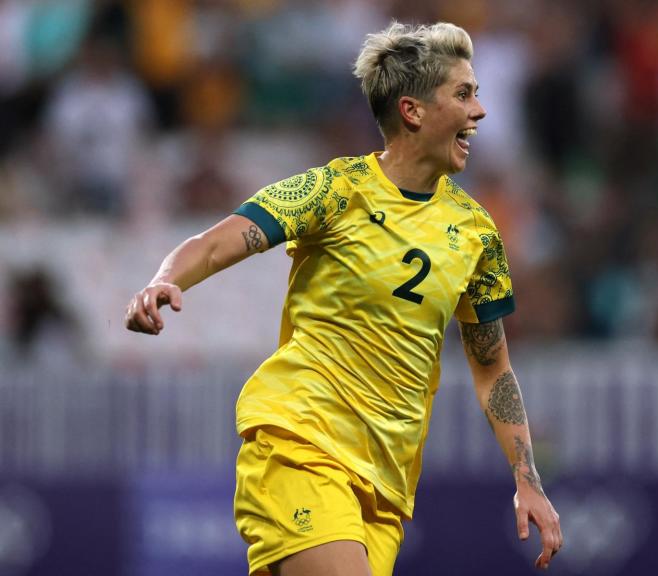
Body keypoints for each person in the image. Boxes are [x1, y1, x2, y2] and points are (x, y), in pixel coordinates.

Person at [125, 21, 562, 576]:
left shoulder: (477, 232)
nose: (479, 112)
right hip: (300, 444)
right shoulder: (335, 191)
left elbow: (492, 367)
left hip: (385, 489)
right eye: (464, 94)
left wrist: (529, 480)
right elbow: (217, 242)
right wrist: (167, 279)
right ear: (413, 111)